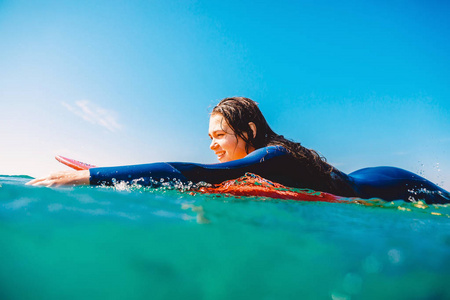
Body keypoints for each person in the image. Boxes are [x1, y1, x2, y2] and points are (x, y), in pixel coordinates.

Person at [28, 97, 450, 204]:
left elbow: (193, 172)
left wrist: (91, 177)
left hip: (390, 185)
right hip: (369, 174)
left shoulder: (273, 157)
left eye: (219, 135)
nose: (211, 144)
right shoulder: (257, 167)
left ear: (248, 130)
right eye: (209, 136)